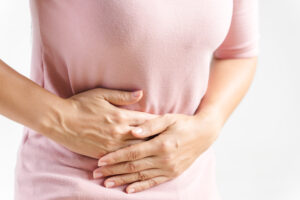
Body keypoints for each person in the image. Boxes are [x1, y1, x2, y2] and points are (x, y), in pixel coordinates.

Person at [0, 0, 259, 199]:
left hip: (191, 184)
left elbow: (239, 52)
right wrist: (61, 119)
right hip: (75, 183)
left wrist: (208, 124)